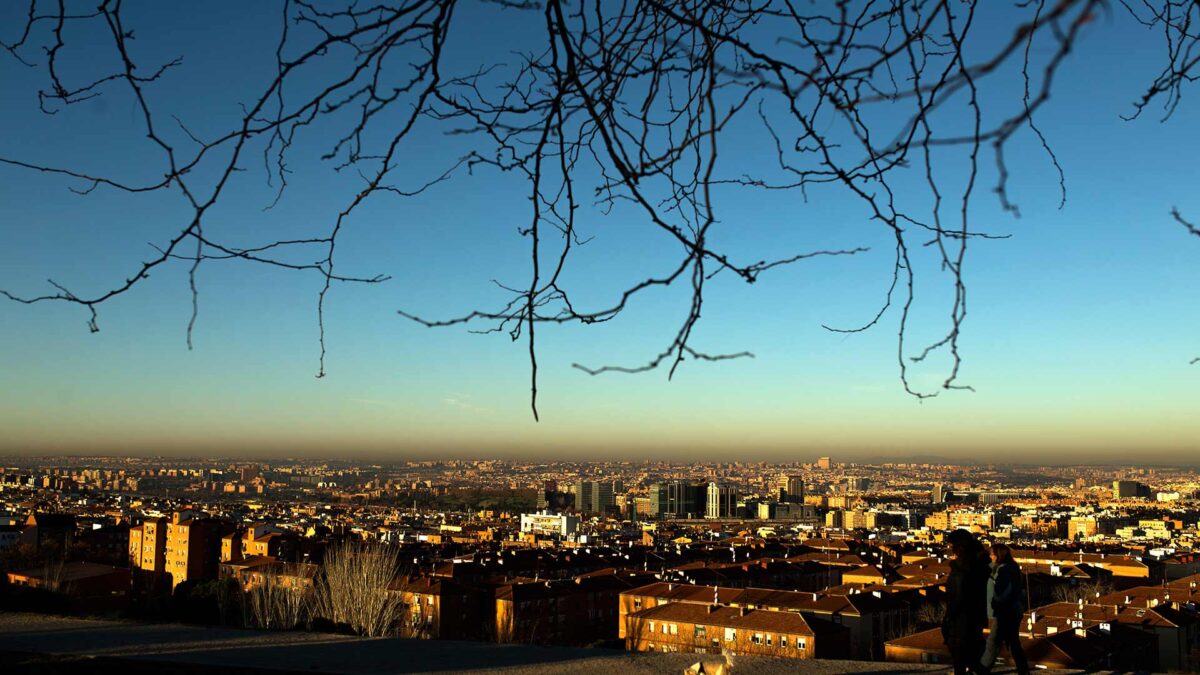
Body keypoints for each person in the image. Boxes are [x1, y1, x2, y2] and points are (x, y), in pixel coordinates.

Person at [942, 529, 991, 674]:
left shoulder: (965, 569)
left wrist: (950, 617)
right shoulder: (978, 564)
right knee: (970, 659)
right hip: (971, 619)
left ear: (961, 547)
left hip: (963, 620)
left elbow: (959, 597)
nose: (951, 549)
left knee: (963, 658)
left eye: (953, 546)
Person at [983, 543, 1031, 674]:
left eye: (992, 554)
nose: (990, 556)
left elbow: (1002, 593)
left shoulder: (1004, 570)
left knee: (993, 642)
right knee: (1013, 642)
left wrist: (995, 604)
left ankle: (982, 669)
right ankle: (1023, 669)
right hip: (1013, 611)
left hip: (1005, 612)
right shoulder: (1009, 567)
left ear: (998, 555)